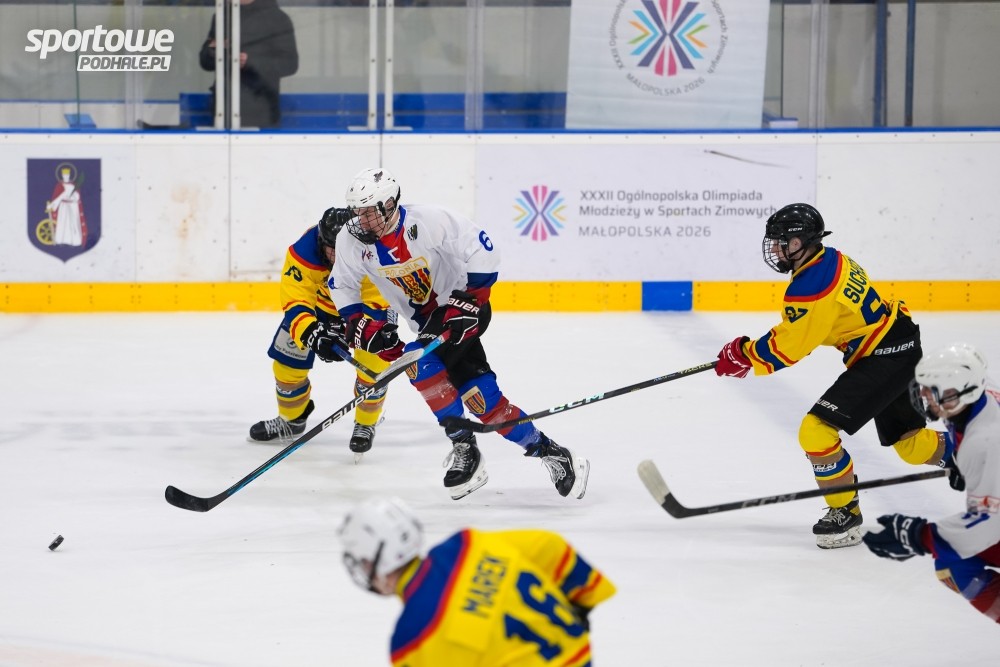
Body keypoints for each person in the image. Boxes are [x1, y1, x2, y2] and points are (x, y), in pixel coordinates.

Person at [327, 167, 591, 501]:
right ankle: (552, 452)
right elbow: (342, 284)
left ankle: (465, 448)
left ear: (390, 204)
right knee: (485, 404)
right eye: (357, 212)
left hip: (464, 312)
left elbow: (483, 248)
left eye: (369, 212)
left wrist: (472, 298)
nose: (362, 221)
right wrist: (357, 321)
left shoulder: (429, 221)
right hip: (428, 326)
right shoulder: (350, 241)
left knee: (416, 361)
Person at [714, 203, 959, 549]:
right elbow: (806, 329)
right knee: (911, 445)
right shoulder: (830, 258)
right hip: (898, 343)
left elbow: (789, 347)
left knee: (815, 430)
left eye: (781, 242)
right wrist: (749, 353)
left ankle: (845, 513)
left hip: (884, 356)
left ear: (799, 243)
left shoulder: (812, 286)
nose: (775, 250)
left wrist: (744, 354)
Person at [337, 496, 616, 666]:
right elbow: (549, 547)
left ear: (374, 562)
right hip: (578, 655)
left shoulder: (411, 638)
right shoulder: (467, 543)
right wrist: (582, 604)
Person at [863, 343, 1000, 624]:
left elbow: (987, 526)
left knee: (953, 558)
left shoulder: (984, 442)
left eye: (931, 389)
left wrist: (921, 535)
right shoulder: (978, 396)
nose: (923, 395)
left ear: (955, 393)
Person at [249, 206, 394, 458]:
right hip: (318, 309)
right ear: (322, 242)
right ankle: (292, 420)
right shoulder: (303, 251)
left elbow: (378, 302)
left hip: (363, 311)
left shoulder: (373, 252)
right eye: (333, 250)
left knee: (373, 368)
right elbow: (295, 300)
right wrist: (312, 333)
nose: (340, 257)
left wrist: (355, 328)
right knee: (287, 364)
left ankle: (366, 423)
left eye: (346, 249)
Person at [198, 0, 298, 129]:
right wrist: (212, 51)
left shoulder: (277, 18)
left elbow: (290, 64)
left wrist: (250, 62)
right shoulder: (222, 16)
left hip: (262, 111)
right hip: (223, 111)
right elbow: (205, 63)